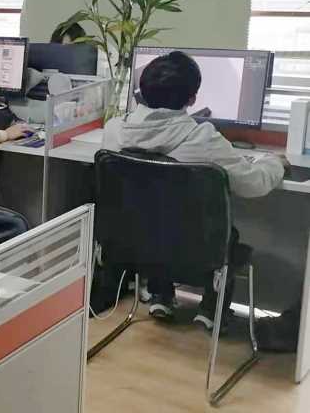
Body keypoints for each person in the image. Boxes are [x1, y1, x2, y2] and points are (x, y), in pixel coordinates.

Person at [103, 51, 284, 328]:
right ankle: (211, 310)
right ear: (192, 99)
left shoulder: (114, 131)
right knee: (222, 233)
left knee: (155, 217)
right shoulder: (202, 138)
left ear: (141, 91)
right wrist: (275, 162)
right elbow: (254, 183)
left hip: (133, 248)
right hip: (194, 254)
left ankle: (161, 294)